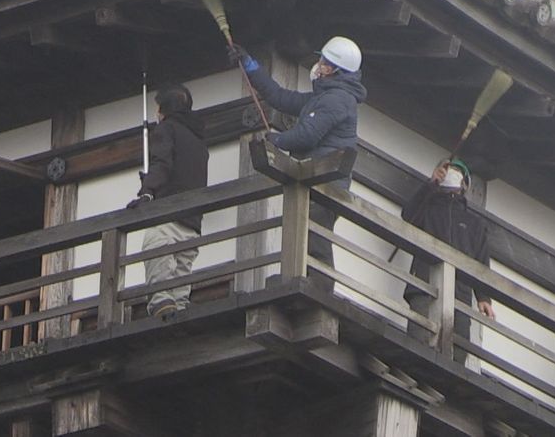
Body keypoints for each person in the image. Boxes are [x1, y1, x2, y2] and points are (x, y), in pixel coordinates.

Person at [228, 36, 367, 290]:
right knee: (305, 229)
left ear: (335, 69)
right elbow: (279, 97)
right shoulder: (322, 98)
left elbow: (306, 136)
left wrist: (276, 139)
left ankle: (319, 284)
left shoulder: (337, 99)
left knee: (314, 231)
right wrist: (250, 66)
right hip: (316, 179)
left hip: (325, 182)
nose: (318, 64)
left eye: (324, 61)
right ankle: (299, 277)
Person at [126, 84, 209, 319]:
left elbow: (163, 163)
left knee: (156, 250)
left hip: (169, 215)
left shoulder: (166, 130)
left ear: (165, 109)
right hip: (192, 222)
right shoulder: (198, 141)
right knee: (181, 273)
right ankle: (179, 308)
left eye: (158, 109)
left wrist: (147, 191)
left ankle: (162, 303)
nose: (156, 114)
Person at [401, 158, 494, 360]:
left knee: (456, 353)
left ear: (465, 184)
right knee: (418, 343)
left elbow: (481, 263)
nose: (451, 173)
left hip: (459, 296)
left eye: (457, 171)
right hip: (424, 286)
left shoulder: (475, 224)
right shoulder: (428, 209)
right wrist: (431, 184)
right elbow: (408, 217)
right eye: (447, 169)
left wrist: (484, 298)